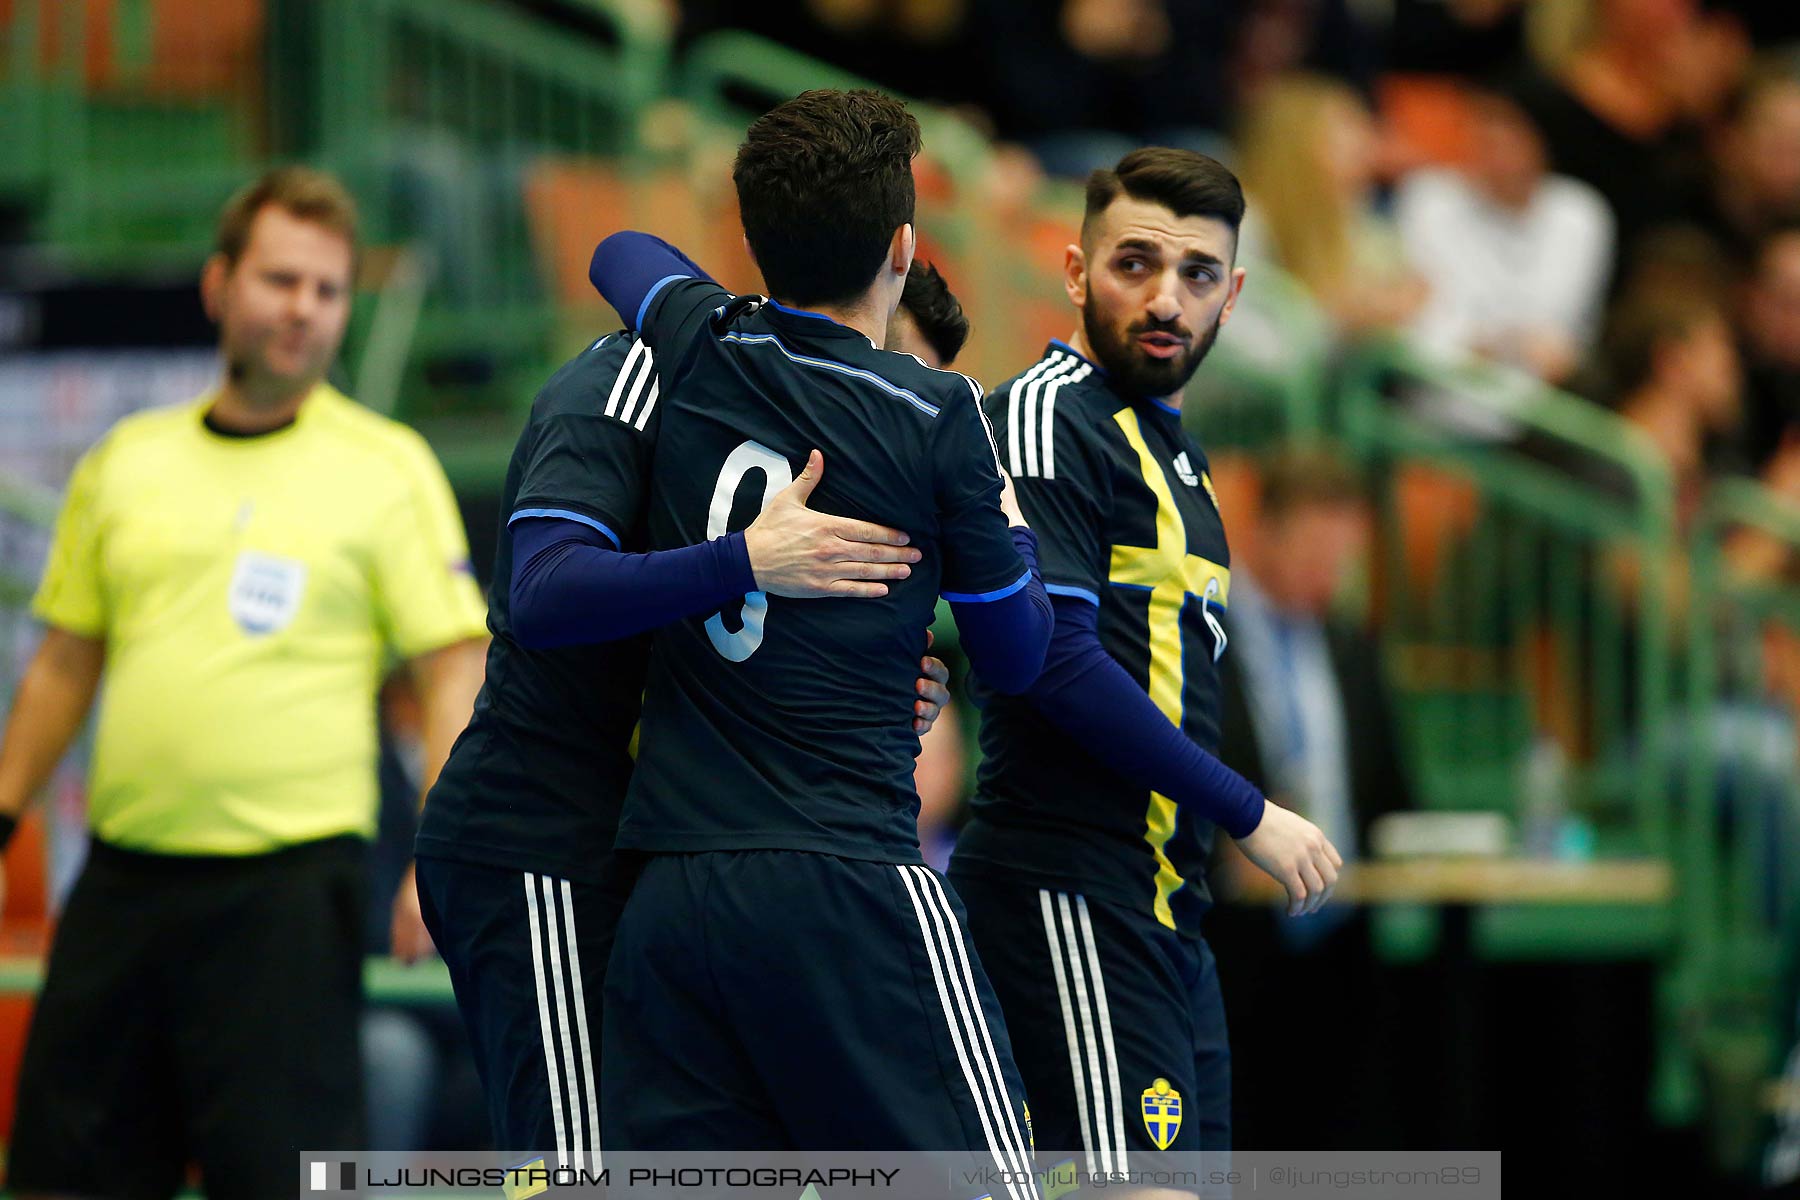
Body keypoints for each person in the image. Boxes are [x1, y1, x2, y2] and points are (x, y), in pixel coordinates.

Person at [0, 166, 490, 1198]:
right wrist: (2, 811)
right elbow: (63, 664)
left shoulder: (388, 466)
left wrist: (439, 856)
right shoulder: (123, 463)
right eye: (280, 280)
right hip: (124, 882)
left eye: (328, 289)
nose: (304, 309)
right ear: (218, 285)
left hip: (290, 892)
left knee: (282, 1184)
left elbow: (454, 671)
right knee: (59, 1173)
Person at [410, 258, 968, 1162]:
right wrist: (742, 561)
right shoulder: (632, 375)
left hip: (661, 856)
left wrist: (869, 697)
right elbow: (545, 593)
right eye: (881, 361)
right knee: (582, 1173)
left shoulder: (788, 451)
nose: (881, 398)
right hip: (539, 841)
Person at [587, 88, 1052, 1159]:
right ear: (904, 249)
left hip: (673, 893)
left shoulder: (703, 339)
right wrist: (1011, 527)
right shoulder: (940, 415)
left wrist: (720, 294)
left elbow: (619, 249)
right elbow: (1019, 656)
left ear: (752, 239)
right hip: (845, 883)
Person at [947, 148, 1341, 1179]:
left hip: (1166, 910)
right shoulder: (1045, 417)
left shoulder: (1178, 458)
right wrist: (1250, 810)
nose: (1168, 299)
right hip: (1069, 893)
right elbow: (1056, 663)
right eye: (1135, 265)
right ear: (1076, 274)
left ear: (1233, 295)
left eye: (1199, 275)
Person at [1207, 446, 1414, 1150]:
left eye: (1345, 554)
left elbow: (1391, 792)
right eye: (1317, 548)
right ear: (1263, 529)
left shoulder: (1353, 645)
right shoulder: (1196, 632)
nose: (1332, 571)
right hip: (1230, 943)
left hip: (1341, 947)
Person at [1395, 78, 1614, 387]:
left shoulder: (1579, 214)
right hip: (1436, 394)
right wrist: (1502, 345)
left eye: (1509, 131)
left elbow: (1561, 342)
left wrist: (1500, 344)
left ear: (1541, 139)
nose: (1492, 142)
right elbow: (1421, 323)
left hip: (1540, 412)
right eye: (1483, 125)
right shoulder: (1430, 197)